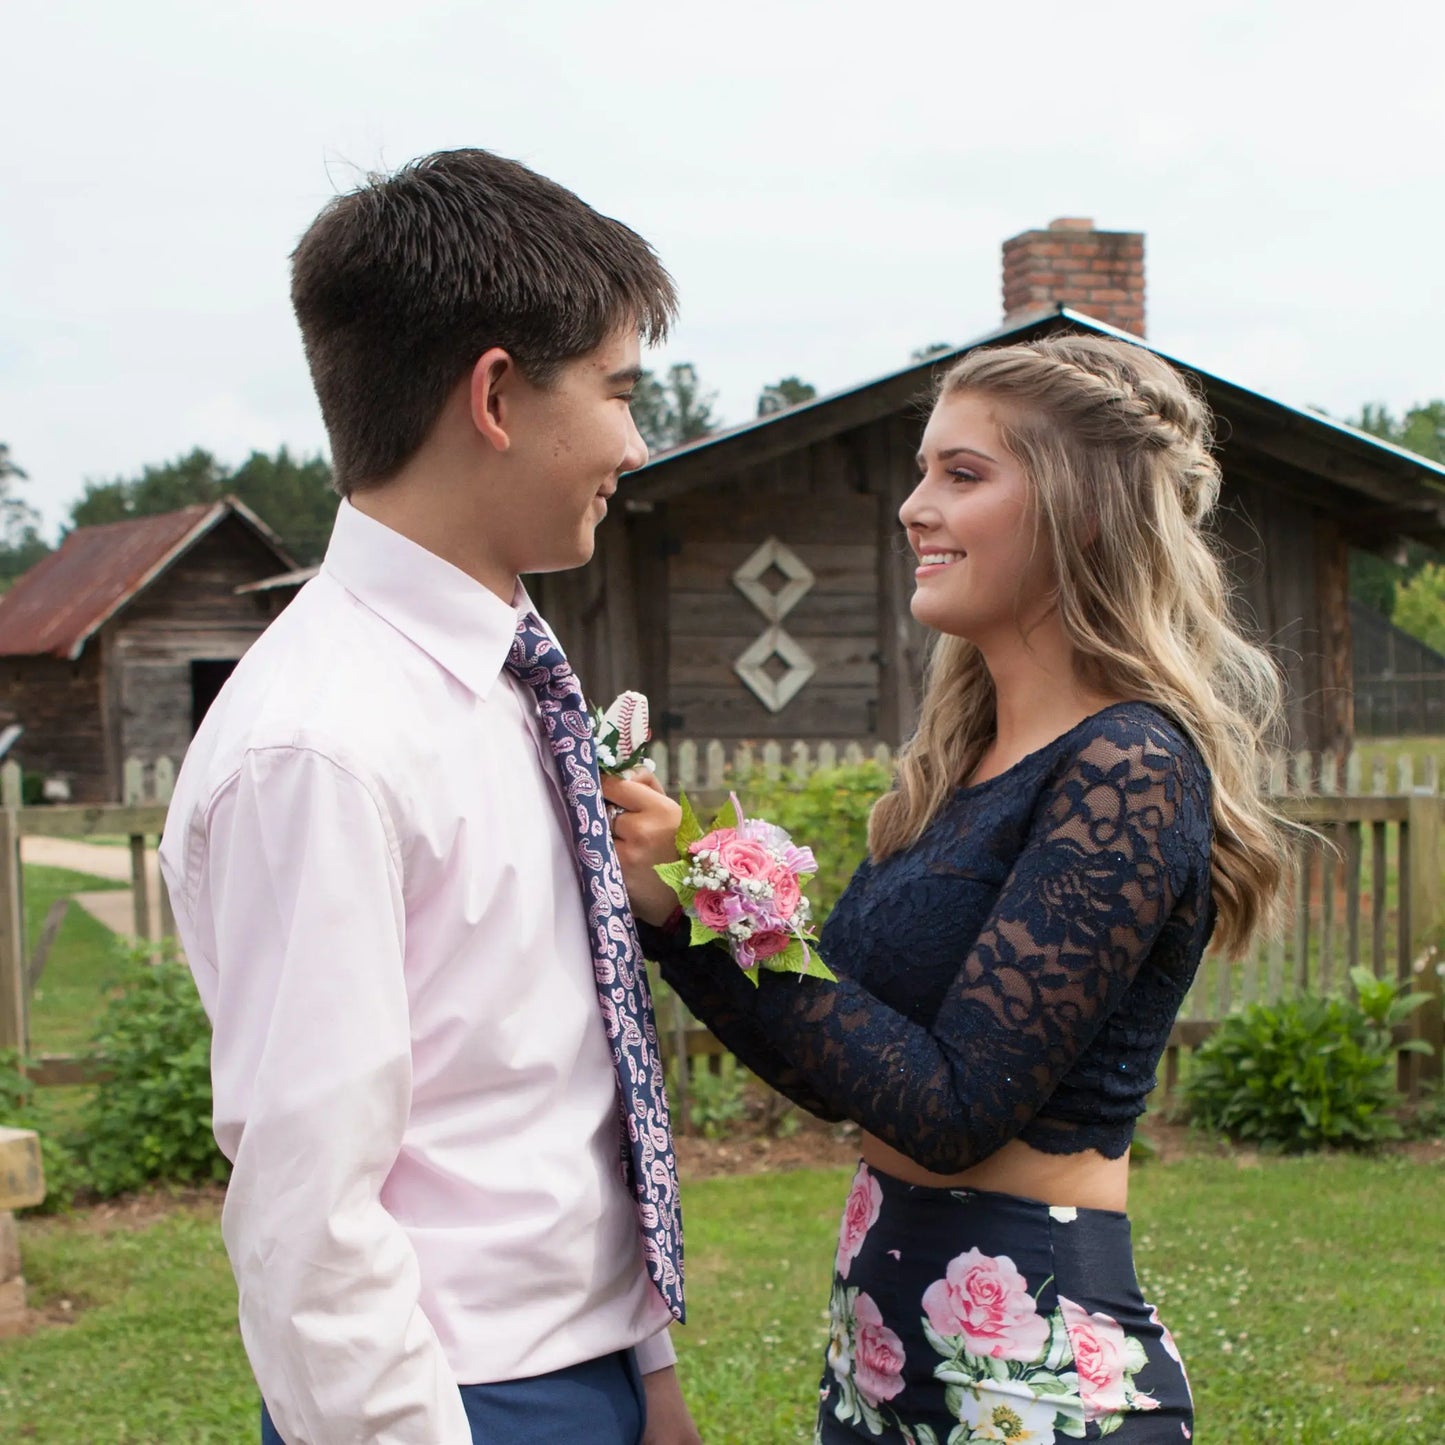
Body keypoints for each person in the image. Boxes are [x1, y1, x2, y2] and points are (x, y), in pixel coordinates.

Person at [605, 334, 1293, 1441]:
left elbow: (951, 1107)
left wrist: (707, 911)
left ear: (1080, 510)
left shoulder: (1128, 768)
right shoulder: (951, 767)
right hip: (880, 1348)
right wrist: (677, 909)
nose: (913, 506)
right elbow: (842, 1076)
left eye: (961, 475)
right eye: (922, 471)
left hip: (1029, 1380)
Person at [158, 149, 702, 1445]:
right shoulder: (321, 746)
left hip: (586, 1364)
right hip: (448, 1397)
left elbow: (562, 1068)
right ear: (497, 395)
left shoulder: (513, 671)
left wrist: (650, 1372)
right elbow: (311, 1214)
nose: (634, 440)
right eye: (619, 390)